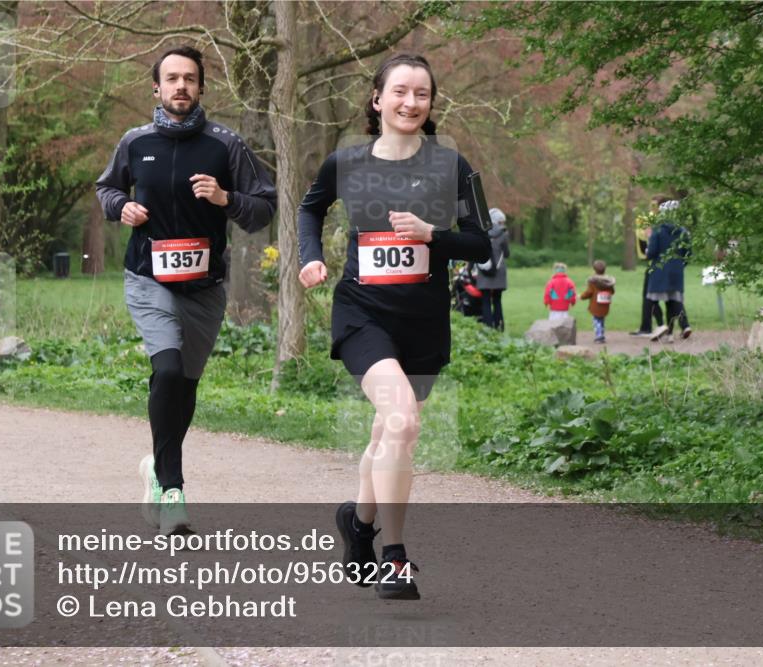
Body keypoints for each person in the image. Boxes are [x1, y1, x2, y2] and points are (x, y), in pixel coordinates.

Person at [297, 53, 490, 600]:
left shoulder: (454, 165)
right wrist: (310, 256)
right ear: (377, 99)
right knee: (401, 421)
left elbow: (482, 242)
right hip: (363, 313)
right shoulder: (345, 162)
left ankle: (358, 525)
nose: (410, 102)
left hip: (424, 322)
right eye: (400, 92)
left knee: (390, 433)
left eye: (422, 94)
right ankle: (395, 554)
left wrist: (434, 235)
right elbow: (310, 210)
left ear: (432, 104)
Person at [96, 46, 277, 535]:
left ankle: (155, 467)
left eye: (190, 79)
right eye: (171, 78)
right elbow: (107, 189)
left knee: (185, 387)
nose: (181, 86)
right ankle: (172, 488)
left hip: (204, 287)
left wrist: (226, 199)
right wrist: (121, 209)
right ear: (156, 87)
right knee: (168, 367)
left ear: (201, 88)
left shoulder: (225, 145)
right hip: (148, 278)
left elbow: (264, 207)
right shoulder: (135, 141)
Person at [646, 199, 692, 342]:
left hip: (660, 269)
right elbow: (688, 252)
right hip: (677, 270)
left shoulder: (658, 230)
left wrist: (647, 251)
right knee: (673, 302)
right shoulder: (683, 231)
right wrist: (680, 264)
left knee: (652, 300)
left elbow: (652, 252)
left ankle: (661, 325)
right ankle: (670, 334)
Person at [629, 198, 664, 336]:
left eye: (654, 205)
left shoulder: (653, 221)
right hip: (659, 265)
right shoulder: (661, 221)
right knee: (663, 298)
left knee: (649, 297)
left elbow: (647, 241)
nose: (652, 208)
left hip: (654, 265)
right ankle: (659, 326)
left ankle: (653, 326)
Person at [474, 207, 510, 330]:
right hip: (499, 272)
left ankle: (487, 327)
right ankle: (499, 326)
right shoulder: (504, 234)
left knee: (485, 301)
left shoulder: (481, 232)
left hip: (484, 269)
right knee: (497, 300)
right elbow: (506, 253)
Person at [580, 260, 616, 343]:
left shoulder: (593, 281)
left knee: (596, 320)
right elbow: (612, 292)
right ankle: (601, 334)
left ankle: (599, 336)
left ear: (594, 270)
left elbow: (589, 292)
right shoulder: (608, 282)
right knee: (601, 320)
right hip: (605, 305)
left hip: (595, 305)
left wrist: (581, 296)